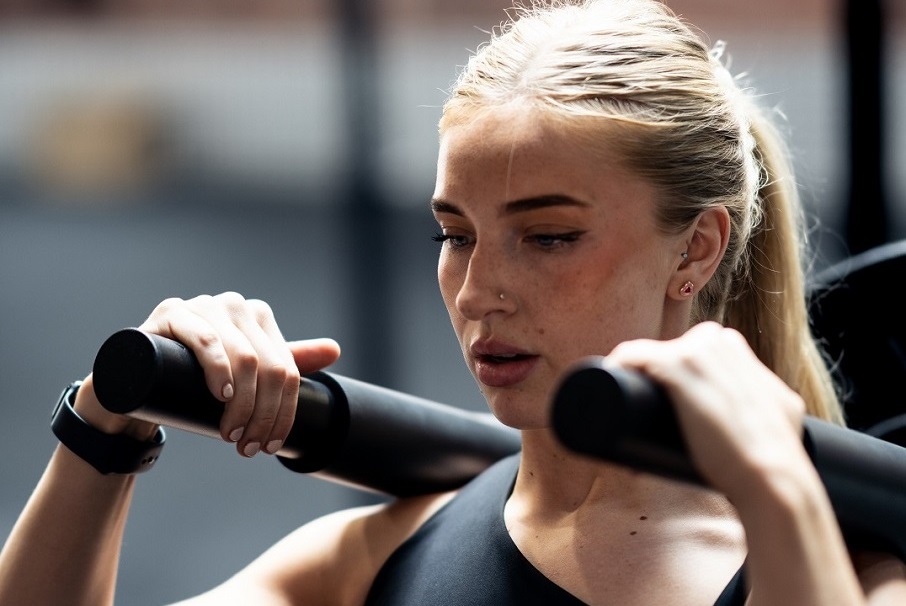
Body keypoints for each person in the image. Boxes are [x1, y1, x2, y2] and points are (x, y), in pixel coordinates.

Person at [1, 0, 905, 604]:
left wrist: (775, 484)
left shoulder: (851, 569)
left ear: (696, 248)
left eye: (548, 236)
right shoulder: (378, 559)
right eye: (454, 234)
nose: (478, 293)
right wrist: (102, 422)